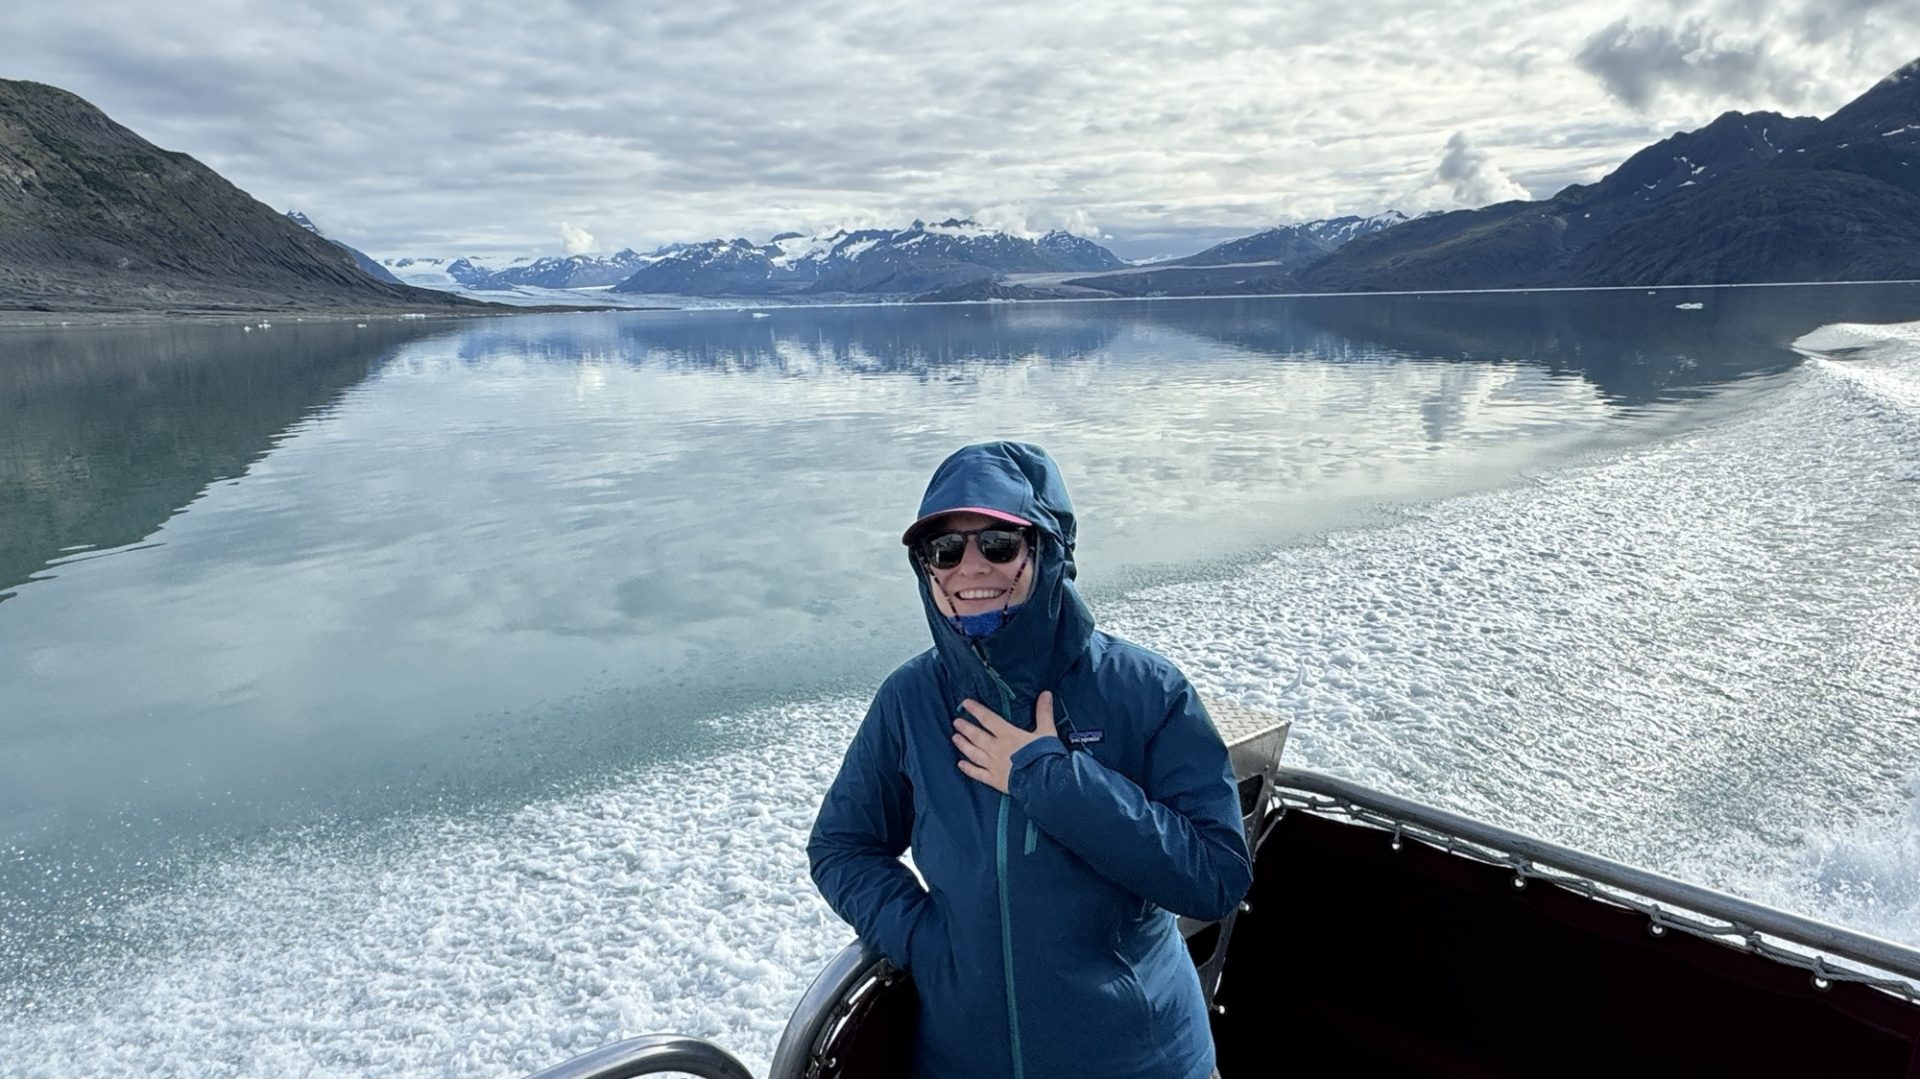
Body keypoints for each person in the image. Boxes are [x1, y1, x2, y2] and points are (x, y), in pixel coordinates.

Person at [808, 441, 1252, 1079]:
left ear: (1046, 552)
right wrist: (930, 945)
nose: (970, 567)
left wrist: (1049, 777)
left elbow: (1215, 876)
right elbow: (842, 847)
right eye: (945, 549)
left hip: (1145, 1061)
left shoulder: (1143, 690)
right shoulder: (912, 701)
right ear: (925, 569)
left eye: (998, 543)